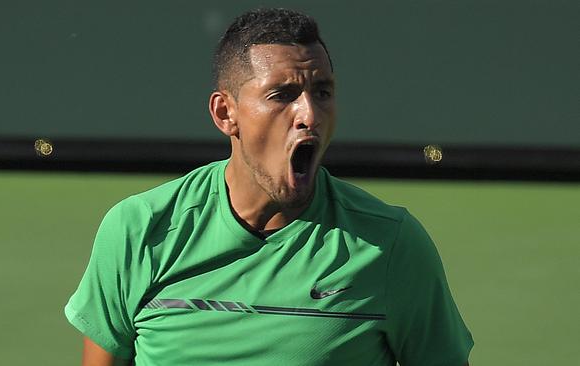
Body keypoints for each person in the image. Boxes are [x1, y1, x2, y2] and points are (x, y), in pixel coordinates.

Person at [65, 8, 473, 366]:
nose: (309, 114)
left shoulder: (392, 246)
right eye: (283, 95)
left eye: (322, 92)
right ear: (226, 113)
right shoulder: (138, 231)